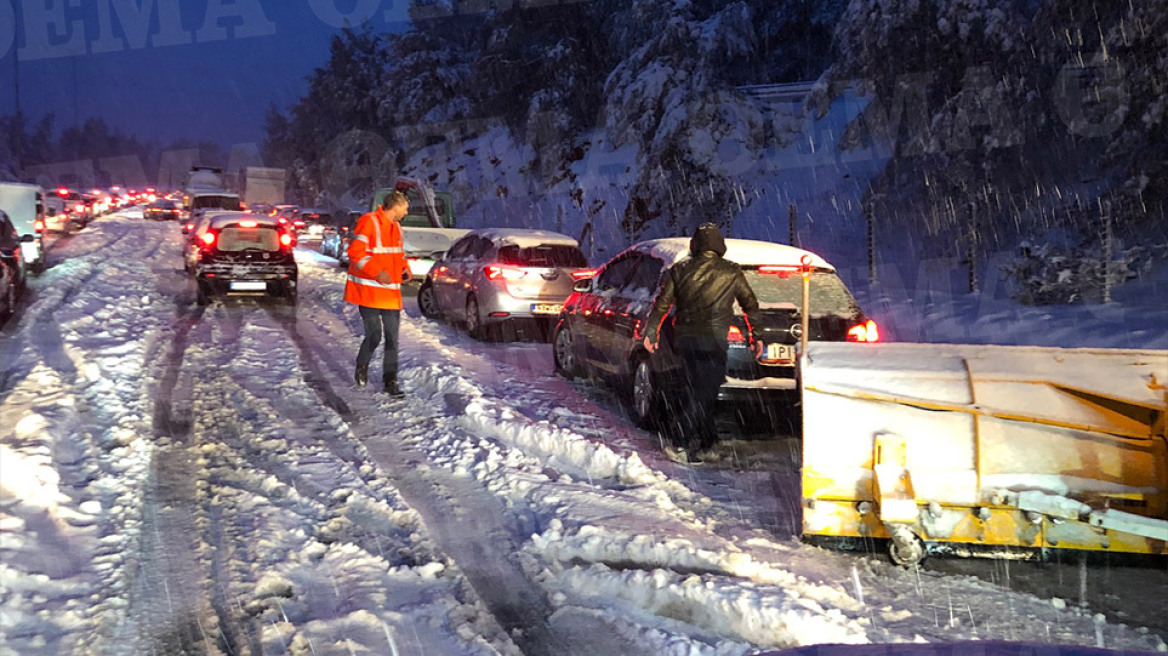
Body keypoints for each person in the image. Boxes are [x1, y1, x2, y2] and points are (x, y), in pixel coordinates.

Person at [642, 223, 761, 463]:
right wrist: (755, 335)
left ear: (694, 244)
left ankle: (708, 443)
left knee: (699, 390)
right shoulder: (731, 271)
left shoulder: (680, 269)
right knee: (704, 393)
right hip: (714, 340)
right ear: (720, 245)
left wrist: (651, 332)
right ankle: (680, 443)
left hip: (686, 340)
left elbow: (662, 304)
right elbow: (750, 304)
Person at [345, 190, 412, 396]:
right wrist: (377, 272)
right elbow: (355, 252)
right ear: (396, 207)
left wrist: (405, 268)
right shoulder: (369, 221)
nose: (406, 212)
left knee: (392, 339)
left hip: (390, 295)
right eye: (405, 208)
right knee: (374, 336)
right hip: (368, 293)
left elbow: (397, 254)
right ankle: (362, 364)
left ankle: (390, 381)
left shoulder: (396, 228)